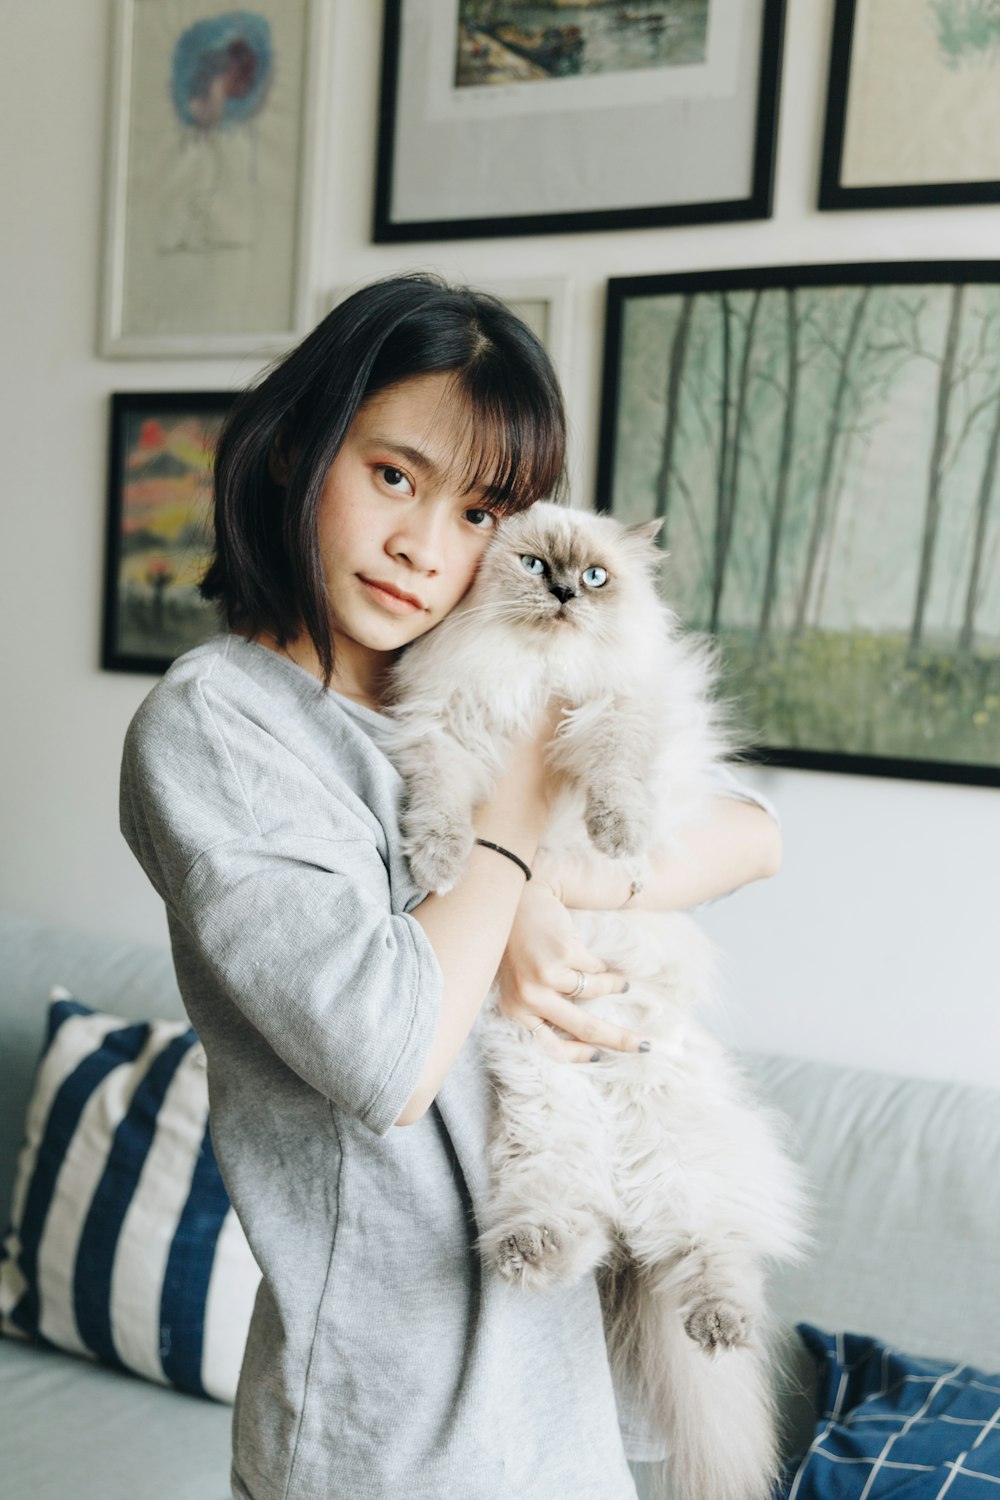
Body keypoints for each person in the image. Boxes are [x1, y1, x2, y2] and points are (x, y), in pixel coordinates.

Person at [120, 273, 782, 1500]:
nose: (425, 547)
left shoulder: (461, 685)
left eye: (482, 512)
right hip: (389, 1441)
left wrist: (545, 899)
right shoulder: (220, 729)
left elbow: (751, 834)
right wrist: (526, 818)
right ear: (293, 450)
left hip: (572, 1419)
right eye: (391, 477)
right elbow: (390, 1054)